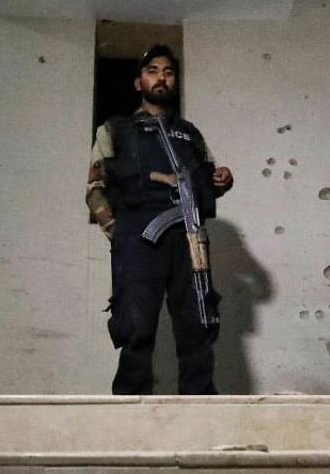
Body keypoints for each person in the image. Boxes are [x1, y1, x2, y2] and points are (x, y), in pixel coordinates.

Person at [85, 44, 234, 394]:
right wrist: (117, 232)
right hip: (139, 235)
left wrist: (222, 179)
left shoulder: (190, 133)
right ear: (139, 82)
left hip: (189, 235)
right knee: (135, 326)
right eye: (152, 71)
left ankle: (200, 414)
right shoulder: (115, 129)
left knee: (197, 323)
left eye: (168, 71)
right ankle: (129, 418)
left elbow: (207, 180)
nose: (161, 77)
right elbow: (94, 189)